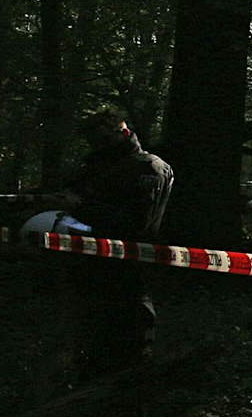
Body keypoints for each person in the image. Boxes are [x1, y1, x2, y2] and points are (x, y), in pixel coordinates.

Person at [43, 110, 175, 381]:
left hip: (126, 273)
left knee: (130, 350)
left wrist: (79, 206)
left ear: (122, 133)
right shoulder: (93, 168)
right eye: (92, 140)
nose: (97, 146)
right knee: (90, 351)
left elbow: (137, 223)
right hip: (86, 271)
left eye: (102, 139)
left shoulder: (148, 167)